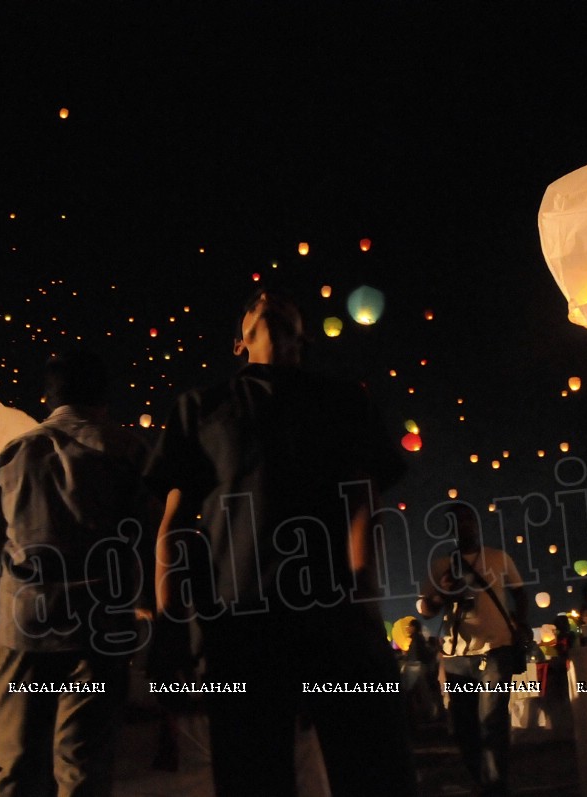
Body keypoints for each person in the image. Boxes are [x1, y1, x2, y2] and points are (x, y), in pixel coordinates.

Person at [147, 289, 415, 797]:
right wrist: (168, 618)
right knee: (253, 777)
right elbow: (175, 523)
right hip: (240, 629)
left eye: (283, 302)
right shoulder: (200, 408)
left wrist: (361, 594)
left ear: (305, 334)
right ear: (237, 343)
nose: (268, 297)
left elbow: (362, 500)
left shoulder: (344, 401)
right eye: (253, 303)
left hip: (337, 618)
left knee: (374, 771)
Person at [0, 350, 150, 797]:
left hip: (22, 626)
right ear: (104, 397)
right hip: (99, 627)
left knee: (12, 763)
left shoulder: (12, 453)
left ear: (49, 398)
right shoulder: (128, 450)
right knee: (82, 766)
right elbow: (147, 540)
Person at [417, 504, 528, 797]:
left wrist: (521, 623)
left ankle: (496, 787)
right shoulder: (442, 565)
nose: (463, 526)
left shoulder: (498, 557)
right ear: (450, 529)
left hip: (496, 649)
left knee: (492, 721)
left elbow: (520, 591)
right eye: (456, 522)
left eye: (468, 519)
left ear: (476, 524)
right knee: (464, 728)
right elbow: (423, 608)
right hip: (457, 657)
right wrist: (441, 594)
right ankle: (485, 781)